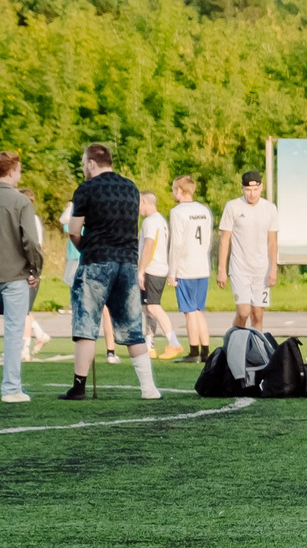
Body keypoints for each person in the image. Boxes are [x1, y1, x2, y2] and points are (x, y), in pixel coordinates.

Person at [62, 144, 160, 403]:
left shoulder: (86, 189)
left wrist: (86, 249)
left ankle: (79, 387)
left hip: (96, 262)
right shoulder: (131, 188)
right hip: (127, 262)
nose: (83, 167)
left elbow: (74, 230)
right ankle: (149, 388)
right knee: (132, 327)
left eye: (83, 162)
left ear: (91, 163)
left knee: (86, 325)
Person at [0, 151, 43, 402]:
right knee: (14, 332)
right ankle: (11, 388)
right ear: (12, 171)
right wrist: (35, 268)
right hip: (15, 275)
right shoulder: (21, 202)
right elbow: (31, 241)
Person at [217, 171, 279, 331]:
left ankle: (255, 345)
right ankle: (234, 341)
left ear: (261, 187)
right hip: (240, 269)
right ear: (242, 188)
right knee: (243, 312)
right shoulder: (233, 207)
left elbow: (272, 241)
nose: (252, 194)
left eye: (255, 189)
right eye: (248, 190)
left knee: (257, 314)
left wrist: (273, 268)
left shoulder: (270, 209)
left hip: (261, 270)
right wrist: (221, 270)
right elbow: (225, 240)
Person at [167, 174, 215, 362]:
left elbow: (177, 243)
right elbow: (208, 240)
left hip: (185, 267)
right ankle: (205, 351)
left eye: (174, 189)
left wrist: (172, 272)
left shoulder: (178, 212)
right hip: (202, 266)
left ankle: (194, 351)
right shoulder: (204, 210)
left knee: (189, 312)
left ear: (180, 190)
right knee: (198, 310)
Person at [135, 191, 179, 359]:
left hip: (152, 269)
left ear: (145, 202)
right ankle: (149, 345)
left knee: (153, 306)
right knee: (148, 307)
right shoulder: (160, 220)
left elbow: (149, 245)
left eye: (139, 203)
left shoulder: (150, 221)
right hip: (158, 268)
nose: (137, 208)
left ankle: (174, 343)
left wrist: (141, 270)